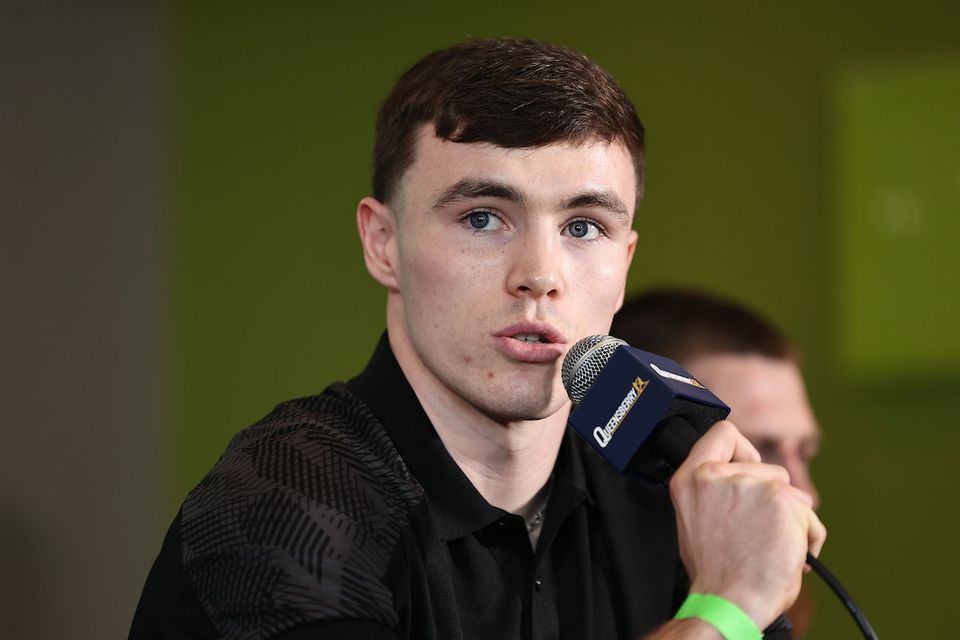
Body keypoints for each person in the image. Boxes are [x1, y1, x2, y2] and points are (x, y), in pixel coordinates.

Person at [131, 39, 824, 640]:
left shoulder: (663, 501)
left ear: (626, 263)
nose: (540, 276)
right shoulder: (282, 507)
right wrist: (722, 611)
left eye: (584, 227)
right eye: (483, 218)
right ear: (383, 244)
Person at [611, 287, 822, 636]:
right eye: (758, 449)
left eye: (803, 452)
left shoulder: (780, 605)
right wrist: (728, 604)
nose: (806, 493)